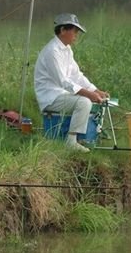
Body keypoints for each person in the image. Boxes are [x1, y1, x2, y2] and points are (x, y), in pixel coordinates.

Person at [34, 14, 109, 152]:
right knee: (84, 102)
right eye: (74, 31)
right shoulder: (52, 51)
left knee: (90, 100)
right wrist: (88, 94)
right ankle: (71, 141)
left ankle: (83, 138)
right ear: (63, 30)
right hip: (50, 97)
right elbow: (63, 81)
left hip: (61, 95)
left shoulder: (66, 49)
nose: (76, 35)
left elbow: (76, 75)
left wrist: (95, 90)